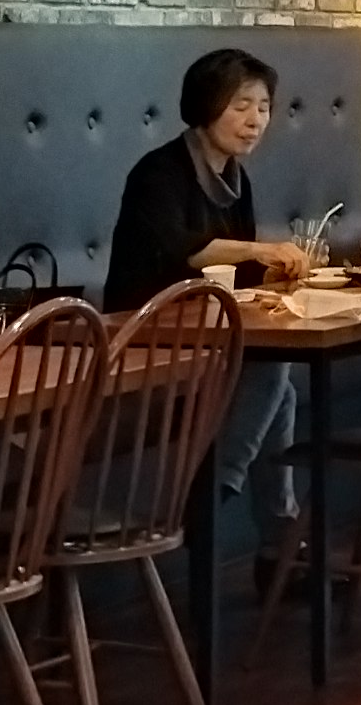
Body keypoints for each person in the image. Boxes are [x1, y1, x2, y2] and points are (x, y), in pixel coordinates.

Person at [105, 49, 318, 505]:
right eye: (241, 106)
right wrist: (260, 250)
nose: (255, 120)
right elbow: (181, 249)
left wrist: (279, 269)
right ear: (206, 105)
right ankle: (215, 491)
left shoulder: (236, 178)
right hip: (144, 335)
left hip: (205, 334)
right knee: (270, 367)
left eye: (263, 108)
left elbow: (240, 271)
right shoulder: (158, 173)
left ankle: (272, 526)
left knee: (279, 388)